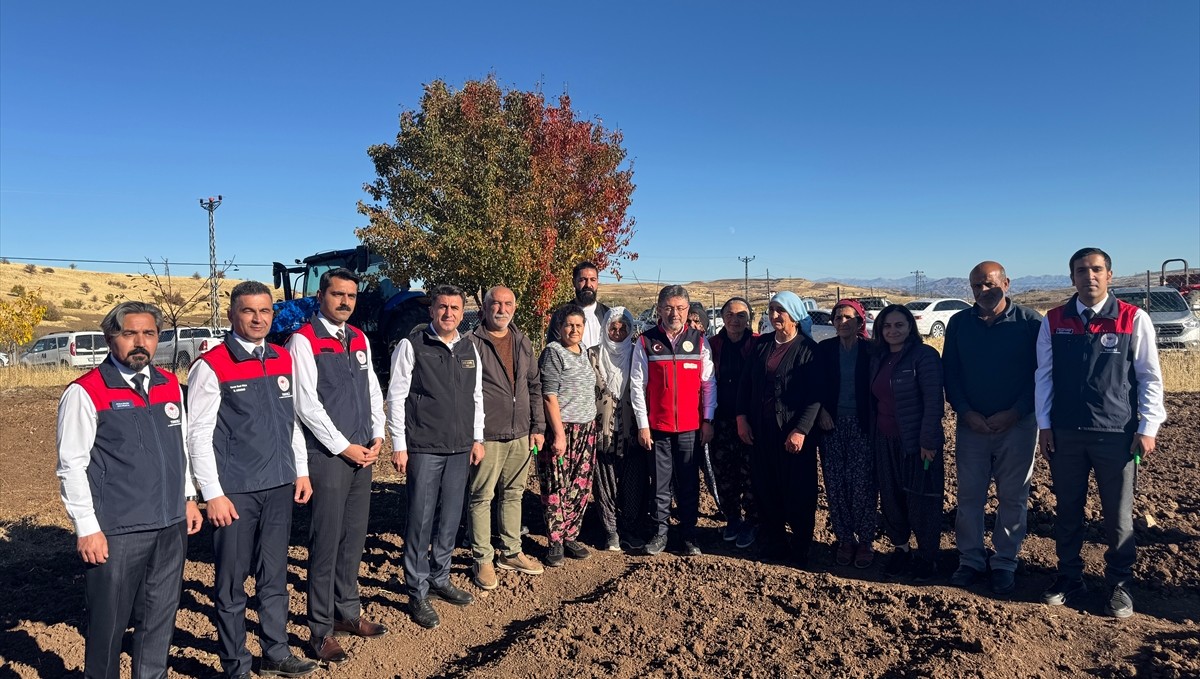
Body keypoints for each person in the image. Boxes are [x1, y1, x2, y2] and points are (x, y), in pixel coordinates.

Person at [56, 301, 203, 679]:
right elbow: (71, 465)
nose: (140, 342)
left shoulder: (170, 384)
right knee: (109, 627)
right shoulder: (85, 392)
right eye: (130, 333)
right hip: (118, 530)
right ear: (110, 338)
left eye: (149, 334)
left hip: (170, 524)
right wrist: (86, 528)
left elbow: (181, 447)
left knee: (159, 618)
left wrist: (188, 498)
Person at [188, 281, 317, 678]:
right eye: (249, 311)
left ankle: (275, 653)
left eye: (265, 311)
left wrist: (301, 470)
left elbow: (291, 422)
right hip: (236, 493)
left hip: (279, 485)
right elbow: (197, 434)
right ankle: (236, 666)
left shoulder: (280, 357)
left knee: (274, 575)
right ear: (232, 315)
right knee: (231, 583)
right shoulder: (211, 367)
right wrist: (213, 494)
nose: (259, 319)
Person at [1035, 247, 1165, 618]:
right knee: (1068, 510)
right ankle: (1069, 576)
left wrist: (1148, 426)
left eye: (1096, 269)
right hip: (1066, 433)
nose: (1088, 276)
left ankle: (1119, 584)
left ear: (1109, 275)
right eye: (1081, 270)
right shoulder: (1054, 319)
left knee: (1118, 515)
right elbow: (1043, 376)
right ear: (1071, 277)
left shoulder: (1132, 318)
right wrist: (1045, 425)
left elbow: (1149, 377)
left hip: (1117, 434)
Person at [287, 268, 387, 664]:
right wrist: (344, 446)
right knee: (325, 543)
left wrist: (378, 434)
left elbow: (372, 388)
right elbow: (305, 404)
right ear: (321, 297)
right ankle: (320, 630)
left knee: (353, 539)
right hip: (330, 458)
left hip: (365, 453)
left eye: (351, 296)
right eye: (337, 295)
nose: (345, 302)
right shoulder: (304, 340)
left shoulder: (359, 338)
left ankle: (348, 613)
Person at [387, 284, 484, 629]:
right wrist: (398, 444)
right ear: (432, 310)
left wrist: (477, 438)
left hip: (460, 447)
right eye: (442, 307)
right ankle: (417, 588)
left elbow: (476, 397)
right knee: (420, 517)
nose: (448, 314)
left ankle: (440, 578)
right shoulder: (412, 346)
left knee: (450, 517)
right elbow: (396, 397)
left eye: (455, 308)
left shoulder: (469, 347)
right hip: (425, 447)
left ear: (462, 312)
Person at [943, 261, 1043, 595]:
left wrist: (1016, 412)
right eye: (976, 286)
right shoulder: (959, 323)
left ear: (1006, 283)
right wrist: (965, 411)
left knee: (1012, 496)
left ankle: (1004, 562)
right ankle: (970, 559)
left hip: (1017, 426)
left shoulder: (1030, 323)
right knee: (969, 496)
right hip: (972, 426)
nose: (982, 292)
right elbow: (951, 373)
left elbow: (1041, 375)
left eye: (988, 284)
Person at [466, 286, 546, 590]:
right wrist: (473, 436)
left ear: (514, 307)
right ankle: (483, 558)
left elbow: (534, 386)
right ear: (485, 308)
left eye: (508, 303)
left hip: (521, 433)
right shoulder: (472, 343)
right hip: (487, 434)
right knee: (481, 496)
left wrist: (537, 427)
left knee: (514, 493)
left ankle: (511, 552)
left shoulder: (522, 341)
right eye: (496, 303)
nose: (502, 308)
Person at [737, 291, 821, 567]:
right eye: (771, 310)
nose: (774, 316)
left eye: (780, 311)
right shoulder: (761, 347)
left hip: (792, 433)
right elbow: (745, 385)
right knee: (766, 489)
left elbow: (815, 396)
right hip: (761, 432)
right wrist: (741, 417)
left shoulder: (808, 350)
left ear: (794, 316)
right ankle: (774, 542)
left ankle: (801, 547)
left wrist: (801, 430)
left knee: (798, 491)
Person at [631, 285, 716, 556]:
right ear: (659, 310)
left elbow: (708, 384)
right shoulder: (645, 342)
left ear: (688, 310)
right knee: (660, 483)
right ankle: (660, 534)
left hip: (691, 428)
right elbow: (637, 385)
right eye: (668, 307)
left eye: (680, 308)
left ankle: (689, 535)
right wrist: (643, 425)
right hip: (658, 428)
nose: (674, 313)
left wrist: (708, 420)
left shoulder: (700, 341)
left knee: (690, 483)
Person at [868, 304, 945, 582]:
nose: (892, 331)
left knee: (921, 499)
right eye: (887, 326)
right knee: (891, 497)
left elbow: (934, 402)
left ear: (910, 327)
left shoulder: (924, 356)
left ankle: (927, 558)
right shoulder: (879, 358)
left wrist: (928, 441)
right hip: (884, 440)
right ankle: (901, 549)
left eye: (899, 325)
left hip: (916, 443)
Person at [814, 298, 877, 569]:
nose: (842, 322)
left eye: (848, 317)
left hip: (863, 425)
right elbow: (813, 384)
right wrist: (821, 412)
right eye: (837, 317)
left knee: (862, 485)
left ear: (860, 321)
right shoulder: (824, 349)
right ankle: (844, 539)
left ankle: (865, 541)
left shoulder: (871, 350)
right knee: (836, 484)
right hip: (831, 424)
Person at [538, 304, 600, 566]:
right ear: (559, 327)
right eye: (569, 325)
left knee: (580, 486)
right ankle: (555, 541)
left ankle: (571, 534)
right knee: (556, 485)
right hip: (562, 430)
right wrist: (559, 434)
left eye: (579, 325)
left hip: (586, 428)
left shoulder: (584, 351)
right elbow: (549, 395)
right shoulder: (554, 352)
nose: (574, 330)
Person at [707, 297, 760, 548]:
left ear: (748, 319)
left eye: (740, 315)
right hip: (721, 421)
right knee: (724, 473)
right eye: (729, 314)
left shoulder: (758, 344)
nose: (734, 319)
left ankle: (752, 521)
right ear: (722, 317)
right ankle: (733, 518)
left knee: (750, 472)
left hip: (751, 421)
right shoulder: (713, 345)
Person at [589, 306, 641, 551]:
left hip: (633, 431)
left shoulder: (638, 354)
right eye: (613, 327)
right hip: (602, 432)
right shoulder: (592, 355)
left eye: (623, 328)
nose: (618, 332)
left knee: (633, 480)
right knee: (604, 480)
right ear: (605, 328)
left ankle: (630, 527)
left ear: (630, 329)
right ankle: (610, 531)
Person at [547, 261, 610, 349]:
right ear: (574, 282)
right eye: (582, 280)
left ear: (597, 282)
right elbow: (553, 352)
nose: (588, 284)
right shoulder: (560, 315)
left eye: (593, 280)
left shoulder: (607, 315)